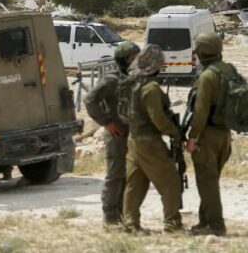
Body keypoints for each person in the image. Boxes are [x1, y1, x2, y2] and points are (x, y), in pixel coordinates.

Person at [122, 44, 183, 233]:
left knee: (135, 183)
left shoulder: (133, 85)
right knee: (170, 181)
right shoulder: (151, 88)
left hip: (133, 139)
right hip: (149, 141)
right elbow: (157, 117)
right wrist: (174, 132)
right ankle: (172, 223)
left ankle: (130, 224)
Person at [84, 41, 140, 226]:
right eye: (134, 58)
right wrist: (106, 122)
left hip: (132, 134)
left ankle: (123, 214)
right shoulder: (111, 79)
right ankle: (110, 216)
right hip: (116, 134)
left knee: (128, 175)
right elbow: (90, 100)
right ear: (125, 59)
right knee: (115, 175)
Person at [184, 33, 232, 236]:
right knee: (210, 181)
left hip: (207, 135)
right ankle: (204, 221)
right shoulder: (228, 70)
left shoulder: (207, 76)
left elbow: (201, 111)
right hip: (224, 134)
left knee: (207, 182)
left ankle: (215, 225)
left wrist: (192, 137)